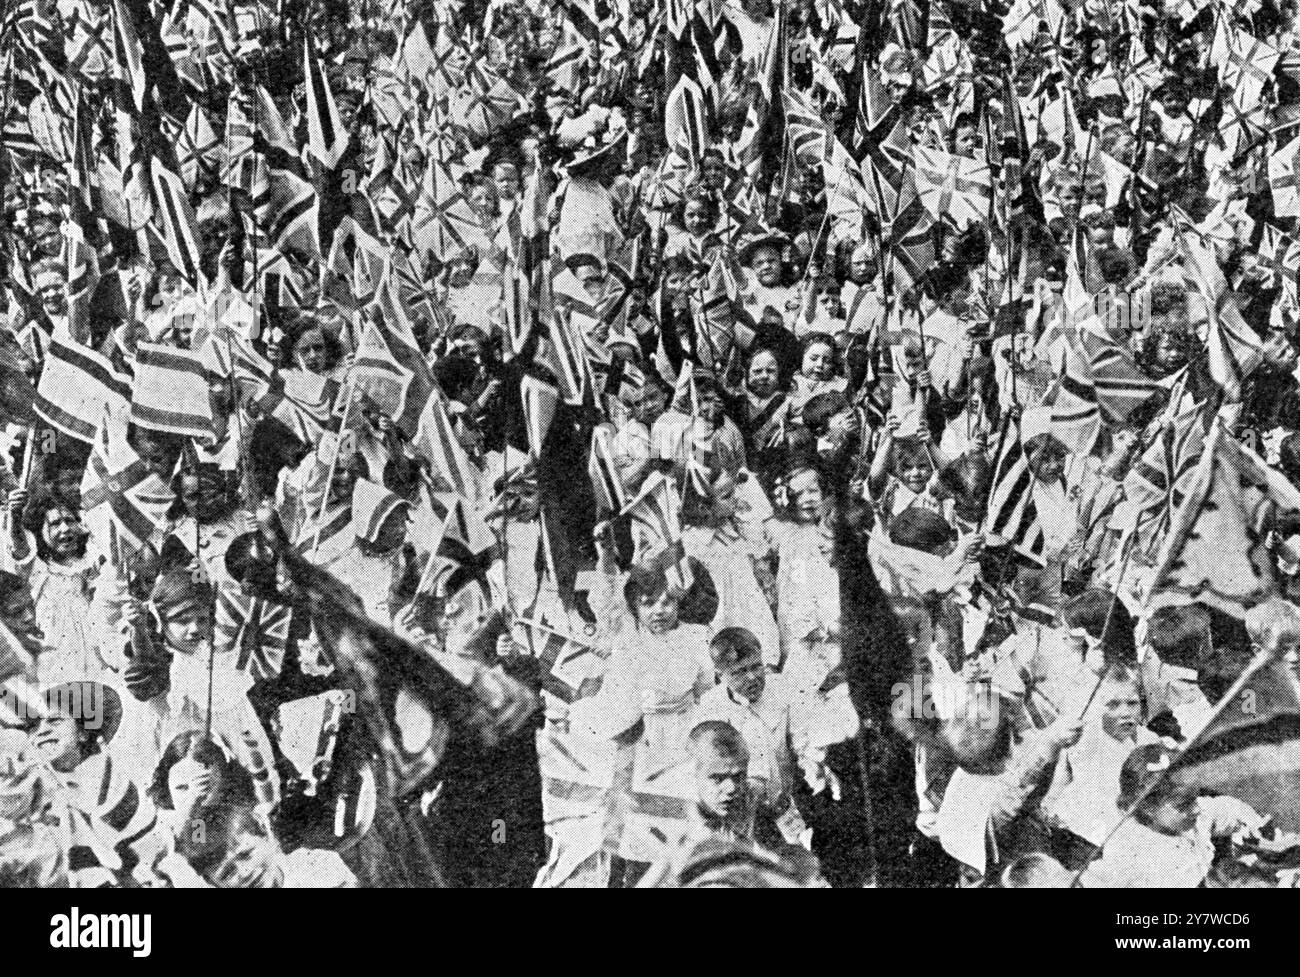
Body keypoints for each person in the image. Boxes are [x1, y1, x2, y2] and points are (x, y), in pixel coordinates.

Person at [1080, 743, 1267, 888]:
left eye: (1196, 798)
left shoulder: (1191, 815)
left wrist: (1254, 825)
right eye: (1184, 804)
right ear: (1147, 807)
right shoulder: (1128, 854)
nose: (1196, 809)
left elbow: (1226, 807)